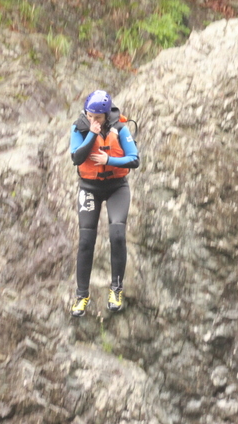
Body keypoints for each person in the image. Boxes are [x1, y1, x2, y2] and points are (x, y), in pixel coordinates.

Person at [69, 90, 139, 317]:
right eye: (90, 116)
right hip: (89, 188)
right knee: (86, 241)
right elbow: (77, 157)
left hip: (117, 187)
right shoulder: (79, 128)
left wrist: (109, 159)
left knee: (117, 234)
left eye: (97, 117)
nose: (93, 120)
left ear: (106, 115)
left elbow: (134, 159)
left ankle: (116, 290)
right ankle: (82, 296)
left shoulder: (120, 128)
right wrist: (92, 133)